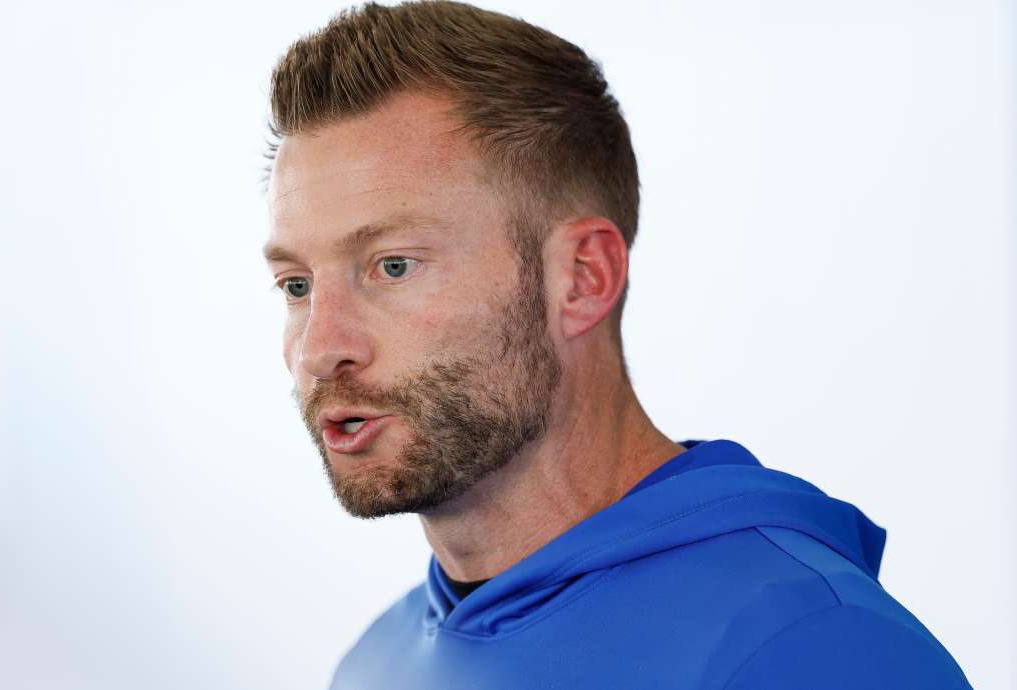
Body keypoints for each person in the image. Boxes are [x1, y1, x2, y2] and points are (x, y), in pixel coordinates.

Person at [261, 2, 973, 688]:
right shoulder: (376, 664)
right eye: (296, 285)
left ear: (581, 279)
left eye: (393, 265)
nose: (320, 347)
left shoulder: (812, 650)